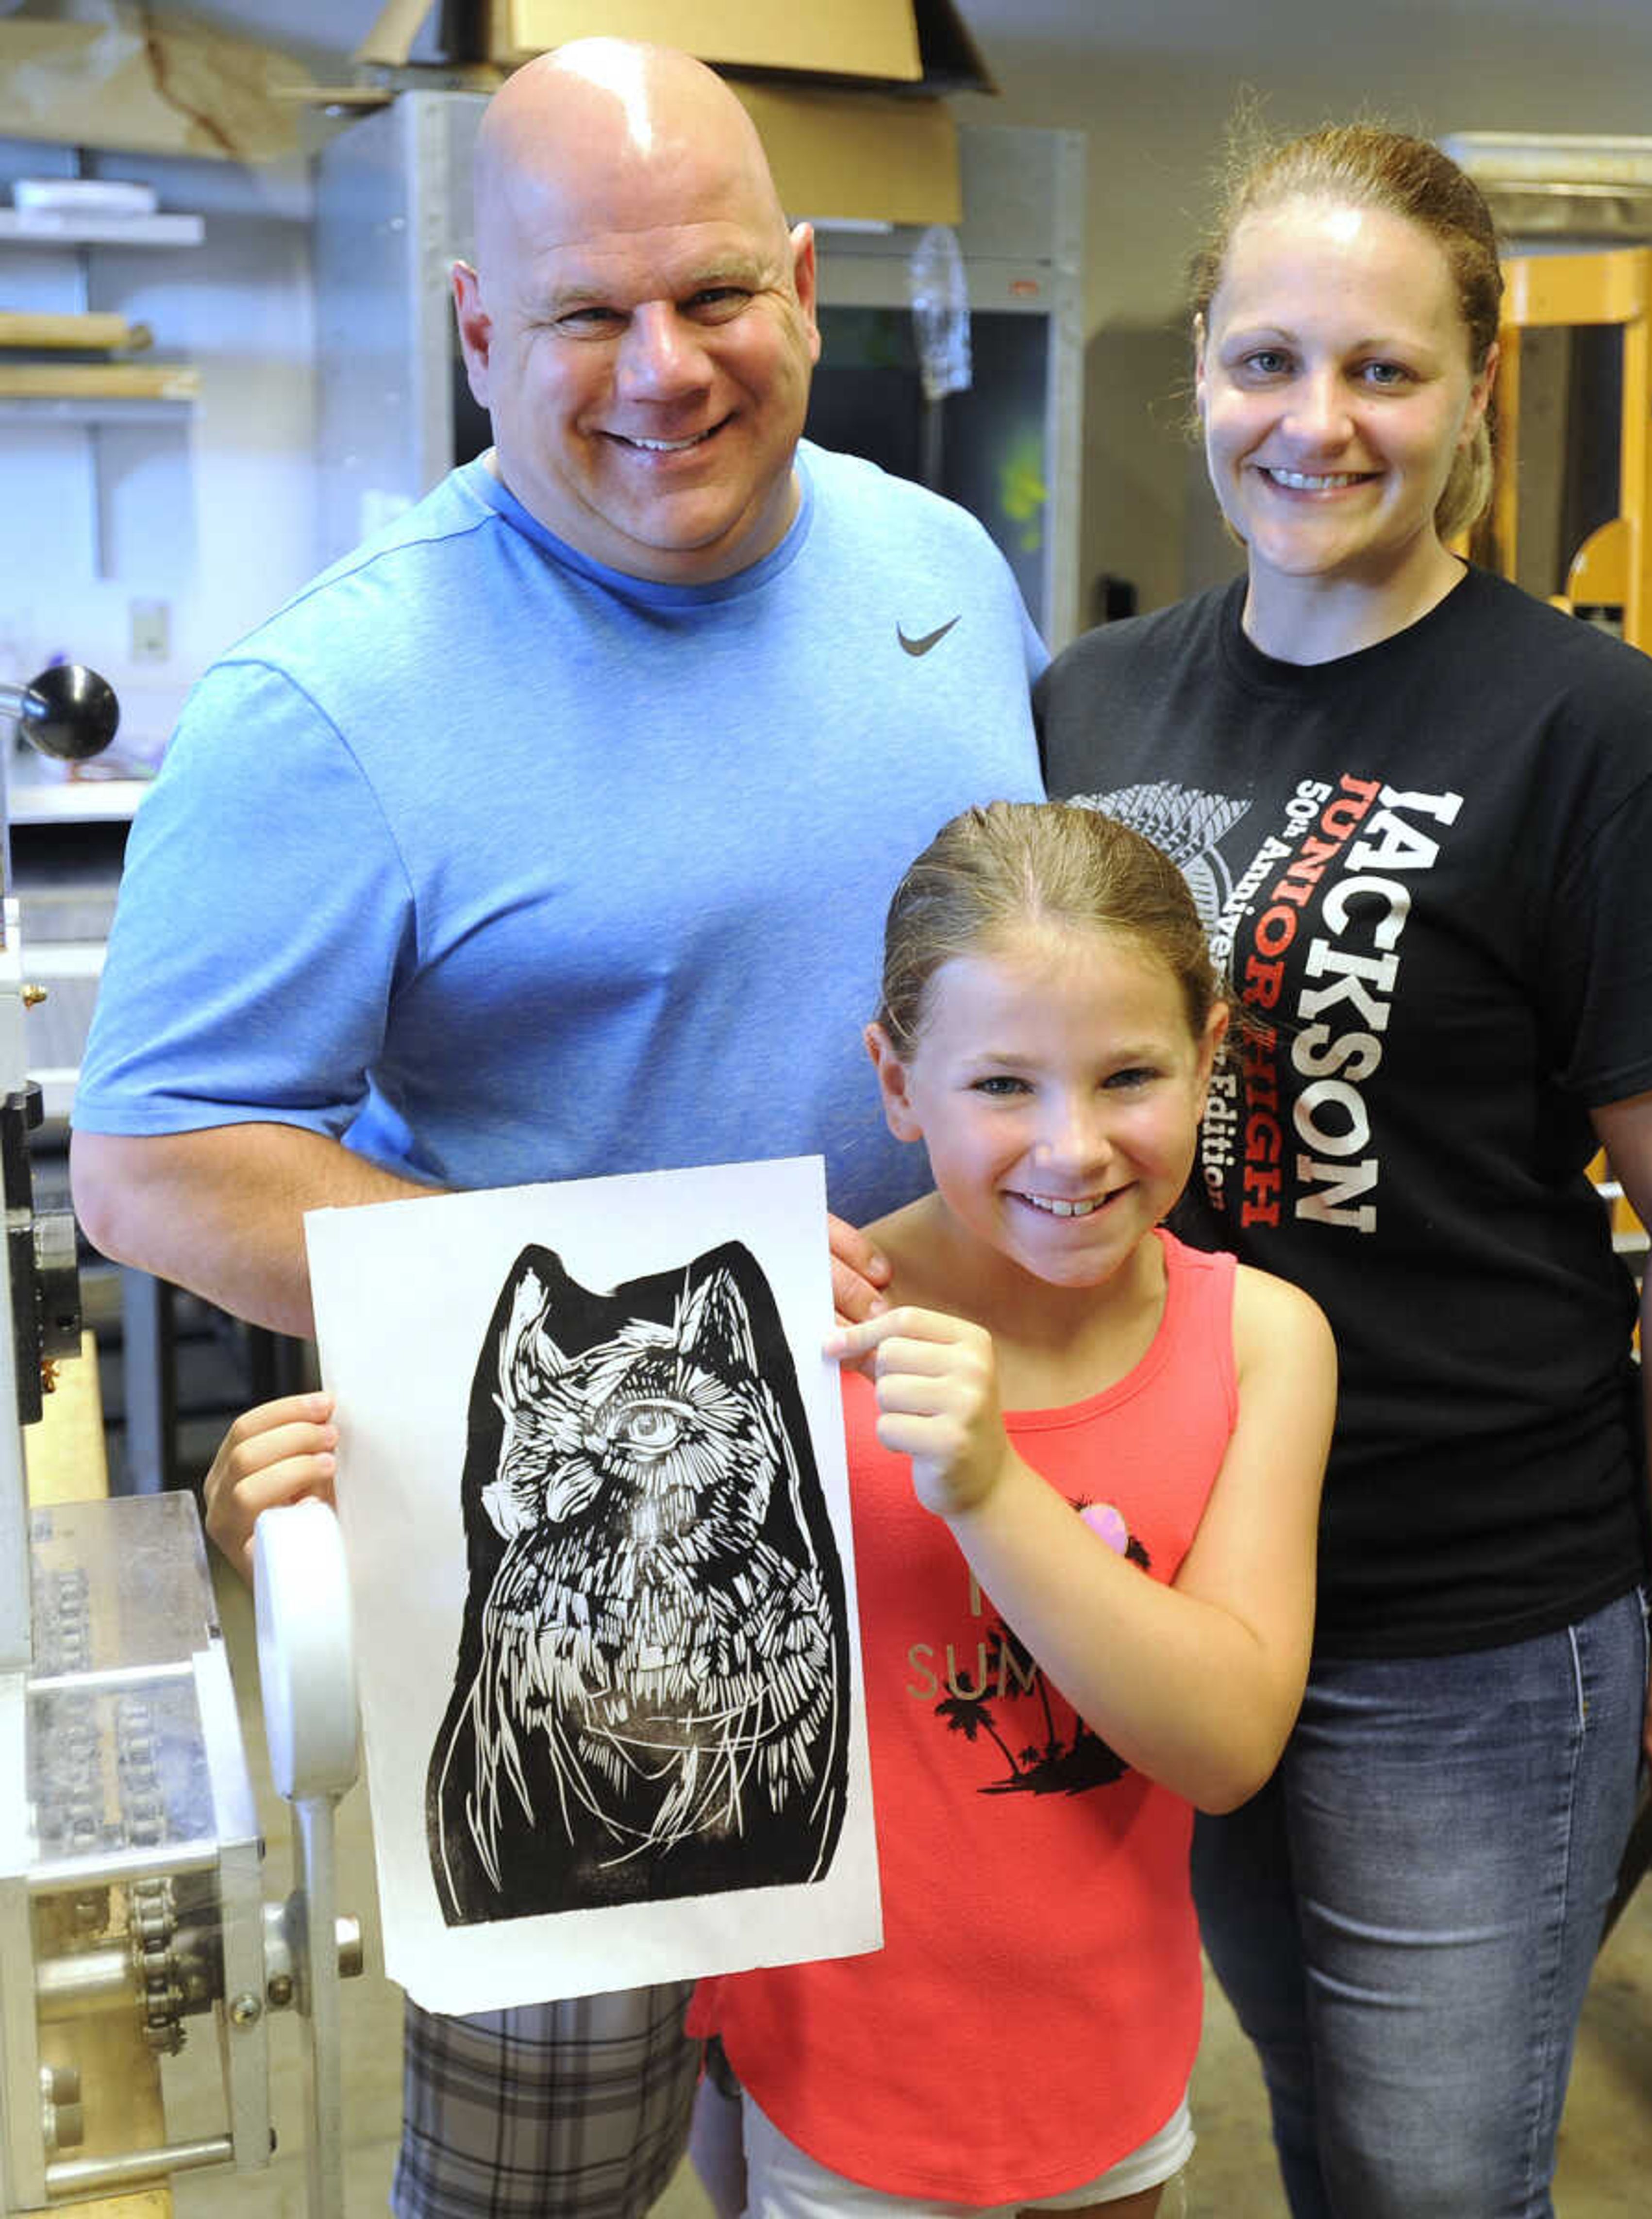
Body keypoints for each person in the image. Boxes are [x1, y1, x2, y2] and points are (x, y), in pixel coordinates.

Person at [70, 39, 1043, 2219]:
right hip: (570, 1610)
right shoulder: (336, 701)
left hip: (948, 1542)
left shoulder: (951, 571)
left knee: (913, 2163)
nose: (664, 372)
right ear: (479, 328)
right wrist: (642, 1325)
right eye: (588, 318)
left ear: (804, 288)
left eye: (715, 298)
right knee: (548, 2190)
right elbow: (152, 1160)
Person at [1032, 120, 1652, 2219]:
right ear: (1202, 364)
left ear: (1476, 387)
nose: (1317, 422)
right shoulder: (1091, 700)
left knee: (1435, 2179)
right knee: (1306, 2110)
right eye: (1267, 360)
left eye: (1382, 371)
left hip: (1468, 1614)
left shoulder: (1593, 733)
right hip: (1177, 1582)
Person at [214, 801, 1338, 2218]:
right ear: (894, 1078)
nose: (1073, 1146)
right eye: (1002, 1084)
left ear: (1210, 1055)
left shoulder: (1262, 1340)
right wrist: (292, 1519)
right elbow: (511, 1588)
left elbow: (1227, 1740)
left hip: (1116, 2060)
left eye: (1128, 1075)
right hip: (834, 2082)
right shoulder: (798, 1339)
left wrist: (991, 1488)